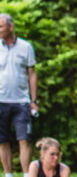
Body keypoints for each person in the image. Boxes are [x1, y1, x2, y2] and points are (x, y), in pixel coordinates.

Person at [0, 13, 38, 177]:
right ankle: (8, 174)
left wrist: (34, 100)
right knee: (2, 140)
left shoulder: (26, 47)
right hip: (1, 100)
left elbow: (32, 74)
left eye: (1, 26)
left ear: (10, 27)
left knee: (24, 139)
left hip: (21, 101)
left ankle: (26, 174)